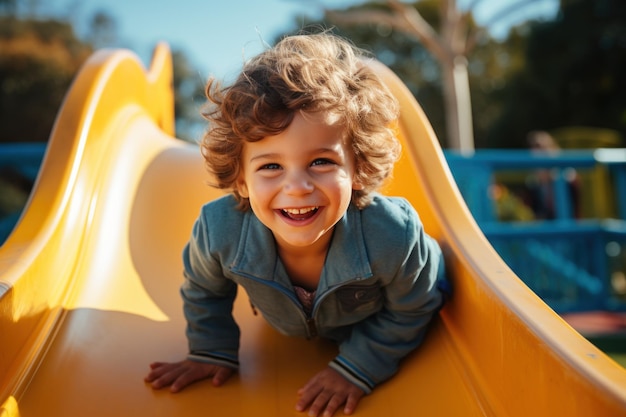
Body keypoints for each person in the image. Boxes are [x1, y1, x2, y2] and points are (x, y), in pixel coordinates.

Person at [144, 31, 446, 417]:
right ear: (241, 179)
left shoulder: (391, 235)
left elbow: (414, 306)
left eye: (322, 161)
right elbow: (204, 289)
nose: (298, 187)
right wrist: (211, 349)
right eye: (271, 166)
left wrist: (358, 368)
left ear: (358, 168)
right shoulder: (220, 231)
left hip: (381, 315)